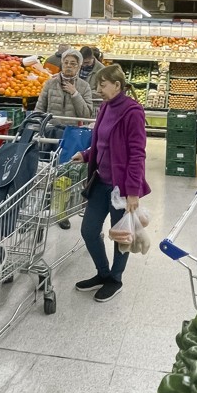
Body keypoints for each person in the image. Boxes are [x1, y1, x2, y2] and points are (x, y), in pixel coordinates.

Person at [70, 63, 150, 302]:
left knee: (120, 235)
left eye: (102, 85)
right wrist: (85, 155)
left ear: (117, 85)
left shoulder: (132, 112)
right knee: (89, 230)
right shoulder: (105, 107)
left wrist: (133, 191)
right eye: (97, 85)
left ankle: (115, 278)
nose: (98, 90)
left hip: (121, 187)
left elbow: (137, 153)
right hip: (100, 182)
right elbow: (101, 141)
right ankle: (103, 273)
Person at [35, 49, 96, 229]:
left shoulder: (84, 87)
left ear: (79, 66)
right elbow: (40, 108)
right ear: (62, 64)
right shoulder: (50, 83)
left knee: (65, 175)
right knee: (45, 172)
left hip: (71, 135)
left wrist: (74, 93)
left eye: (73, 63)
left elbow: (86, 113)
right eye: (66, 62)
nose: (69, 66)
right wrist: (38, 128)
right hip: (50, 133)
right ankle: (41, 210)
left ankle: (61, 213)